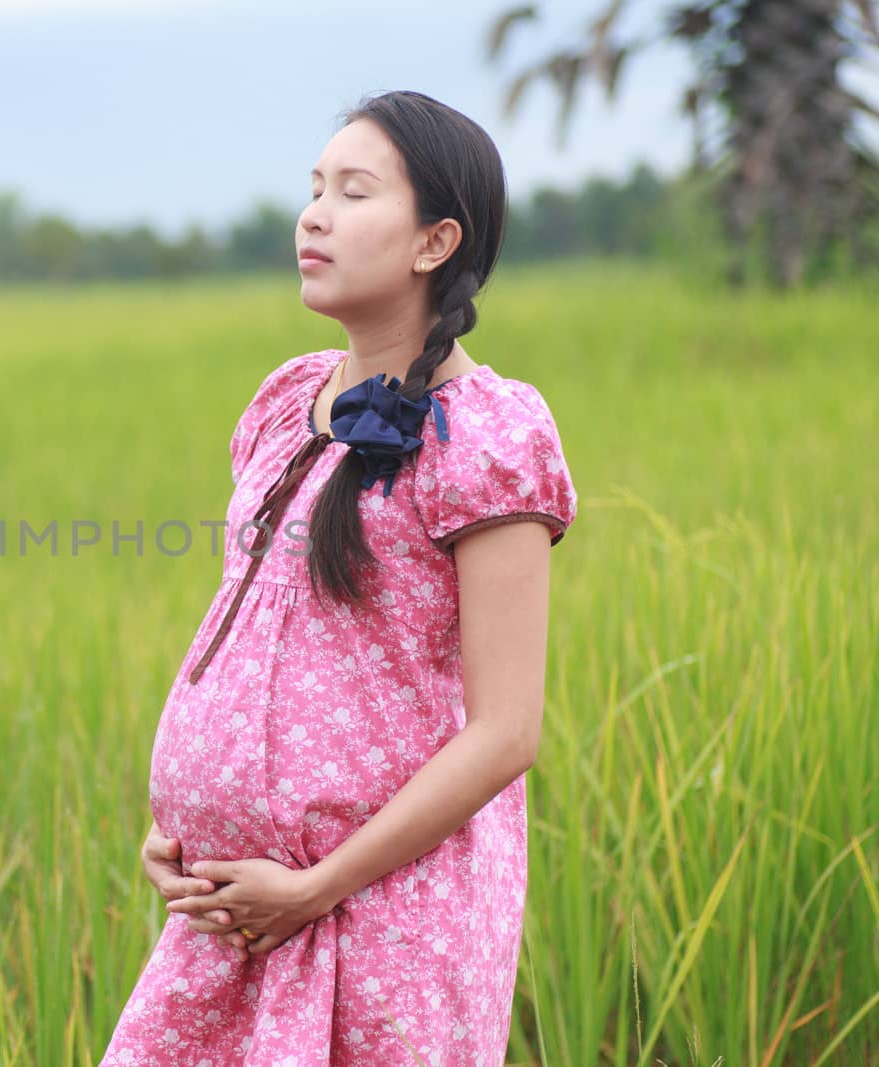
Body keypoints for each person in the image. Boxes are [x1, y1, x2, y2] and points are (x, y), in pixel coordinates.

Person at [99, 90, 578, 1066]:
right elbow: (253, 626)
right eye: (313, 188)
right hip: (231, 908)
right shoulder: (285, 400)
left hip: (382, 918)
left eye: (352, 192)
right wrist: (180, 823)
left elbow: (504, 731)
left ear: (434, 240)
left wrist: (317, 884)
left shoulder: (489, 436)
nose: (312, 214)